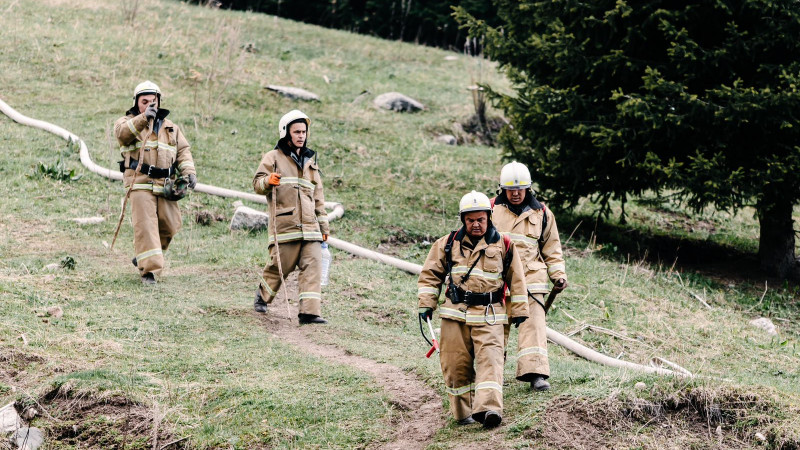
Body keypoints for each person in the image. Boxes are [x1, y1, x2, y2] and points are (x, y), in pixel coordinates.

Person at [417, 191, 529, 428]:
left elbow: (517, 279)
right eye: (471, 220)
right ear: (463, 220)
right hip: (454, 316)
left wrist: (519, 310)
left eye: (480, 219)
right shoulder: (447, 243)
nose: (476, 224)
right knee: (455, 365)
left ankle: (489, 410)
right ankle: (462, 413)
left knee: (491, 360)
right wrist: (426, 304)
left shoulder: (504, 245)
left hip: (490, 316)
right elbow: (430, 275)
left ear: (489, 217)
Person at [492, 162, 567, 391]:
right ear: (502, 189)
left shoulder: (542, 213)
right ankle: (491, 375)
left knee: (534, 326)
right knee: (494, 329)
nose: (515, 194)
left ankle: (535, 374)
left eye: (520, 189)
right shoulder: (489, 209)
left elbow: (551, 248)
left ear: (529, 188)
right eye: (511, 189)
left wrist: (558, 274)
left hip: (531, 280)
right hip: (498, 280)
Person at [114, 81, 197, 285]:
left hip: (165, 184)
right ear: (136, 103)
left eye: (154, 101)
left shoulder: (171, 128)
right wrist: (144, 118)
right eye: (145, 102)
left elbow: (183, 151)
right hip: (139, 183)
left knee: (170, 225)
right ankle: (149, 272)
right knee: (147, 227)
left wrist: (189, 171)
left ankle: (144, 257)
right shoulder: (127, 122)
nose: (151, 105)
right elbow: (122, 135)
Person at [252, 110, 330, 325]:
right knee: (280, 267)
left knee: (313, 266)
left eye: (304, 132)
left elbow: (319, 199)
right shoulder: (273, 157)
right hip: (285, 226)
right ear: (286, 132)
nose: (301, 136)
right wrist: (268, 180)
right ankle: (262, 296)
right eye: (297, 131)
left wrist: (323, 227)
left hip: (311, 229)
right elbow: (257, 184)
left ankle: (309, 313)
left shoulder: (311, 164)